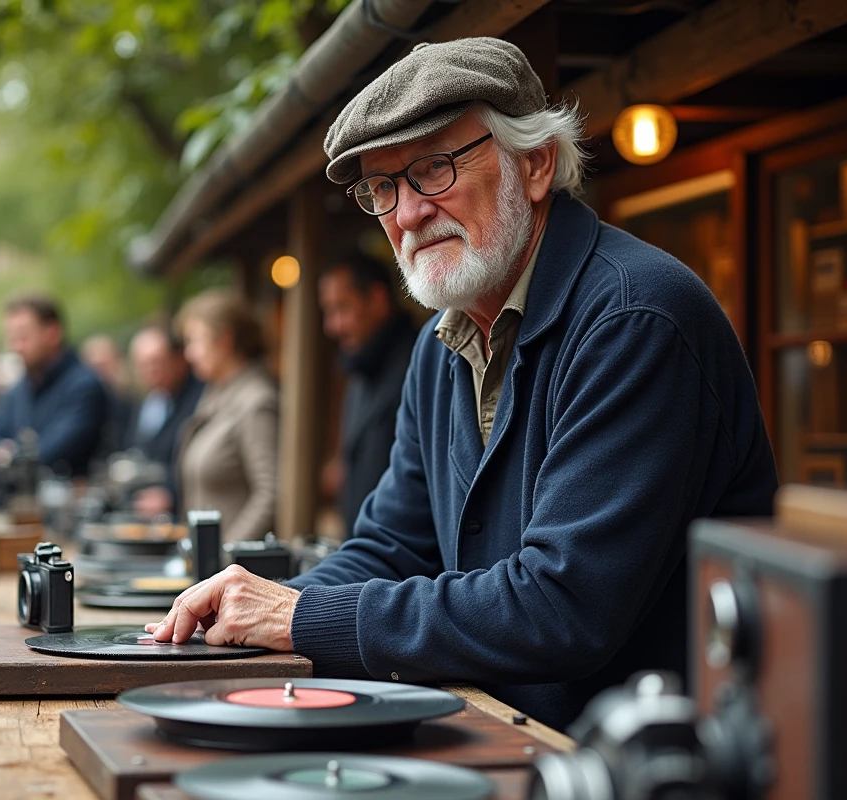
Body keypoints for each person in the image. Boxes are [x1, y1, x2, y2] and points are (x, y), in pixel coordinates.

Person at [147, 38, 778, 731]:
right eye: (382, 188)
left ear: (534, 165)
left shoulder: (634, 318)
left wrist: (298, 616)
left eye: (433, 170)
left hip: (636, 764)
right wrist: (251, 607)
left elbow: (562, 607)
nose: (407, 214)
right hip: (499, 736)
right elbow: (391, 547)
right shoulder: (439, 344)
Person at [318, 250, 418, 534]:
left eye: (342, 309)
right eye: (328, 311)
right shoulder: (361, 369)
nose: (332, 327)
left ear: (377, 299)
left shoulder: (417, 366)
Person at [173, 290, 278, 543]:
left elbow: (271, 493)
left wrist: (225, 557)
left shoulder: (256, 401)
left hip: (233, 573)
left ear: (225, 341)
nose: (189, 353)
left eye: (195, 341)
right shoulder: (215, 393)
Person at [0, 295, 108, 479]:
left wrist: (8, 454)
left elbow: (52, 450)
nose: (17, 347)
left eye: (23, 337)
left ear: (52, 333)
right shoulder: (17, 391)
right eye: (12, 338)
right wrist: (4, 454)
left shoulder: (84, 386)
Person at [125, 326, 204, 516]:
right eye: (142, 364)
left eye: (156, 362)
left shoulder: (200, 399)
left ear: (178, 360)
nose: (150, 370)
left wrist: (170, 494)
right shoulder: (149, 401)